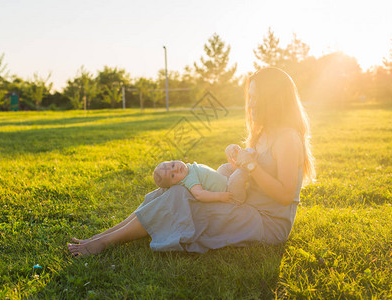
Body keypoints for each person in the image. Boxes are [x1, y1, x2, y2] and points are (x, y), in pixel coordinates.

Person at [68, 67, 315, 257]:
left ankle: (104, 243)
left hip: (266, 223)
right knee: (173, 189)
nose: (249, 104)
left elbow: (284, 195)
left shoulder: (287, 138)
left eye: (255, 97)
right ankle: (104, 235)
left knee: (179, 196)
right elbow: (251, 174)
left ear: (272, 100)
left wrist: (251, 166)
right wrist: (240, 160)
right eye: (249, 97)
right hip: (245, 204)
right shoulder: (264, 132)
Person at [152, 146, 256, 205]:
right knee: (236, 177)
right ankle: (249, 163)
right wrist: (219, 196)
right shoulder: (189, 180)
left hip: (225, 181)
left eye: (172, 165)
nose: (175, 169)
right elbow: (199, 195)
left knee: (223, 168)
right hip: (231, 195)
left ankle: (239, 163)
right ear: (174, 184)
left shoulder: (188, 169)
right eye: (173, 175)